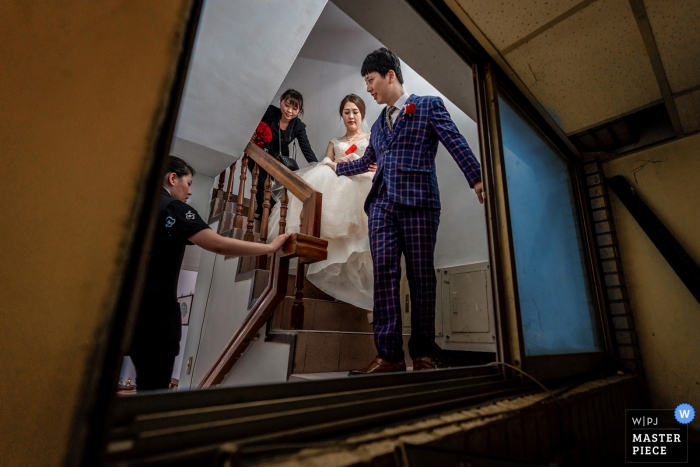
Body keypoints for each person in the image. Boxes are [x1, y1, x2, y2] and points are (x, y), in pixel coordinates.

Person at [334, 48, 484, 375]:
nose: (368, 89)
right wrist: (338, 168)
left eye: (371, 81)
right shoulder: (375, 125)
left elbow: (454, 140)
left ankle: (423, 355)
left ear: (390, 75)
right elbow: (367, 161)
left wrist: (476, 177)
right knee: (384, 278)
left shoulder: (428, 106)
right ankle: (388, 356)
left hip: (419, 204)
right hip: (382, 207)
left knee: (421, 278)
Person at [129, 156, 291, 390]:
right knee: (152, 389)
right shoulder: (174, 208)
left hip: (129, 310)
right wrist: (269, 247)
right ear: (173, 178)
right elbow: (217, 244)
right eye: (189, 183)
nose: (190, 192)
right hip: (156, 314)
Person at [267, 94, 377, 310]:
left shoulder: (372, 138)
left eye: (355, 112)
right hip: (339, 188)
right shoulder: (334, 142)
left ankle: (362, 293)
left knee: (361, 243)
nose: (351, 116)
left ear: (362, 114)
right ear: (341, 115)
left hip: (364, 187)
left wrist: (361, 163)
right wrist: (333, 162)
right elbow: (325, 162)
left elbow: (377, 163)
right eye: (347, 112)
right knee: (334, 232)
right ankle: (339, 286)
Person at [255, 89, 318, 216]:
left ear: (299, 110)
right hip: (260, 152)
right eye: (287, 105)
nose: (289, 111)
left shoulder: (299, 126)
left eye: (294, 108)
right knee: (261, 180)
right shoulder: (270, 112)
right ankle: (263, 213)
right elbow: (252, 123)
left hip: (279, 157)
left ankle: (266, 210)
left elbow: (306, 148)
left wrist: (317, 166)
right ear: (281, 102)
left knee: (281, 185)